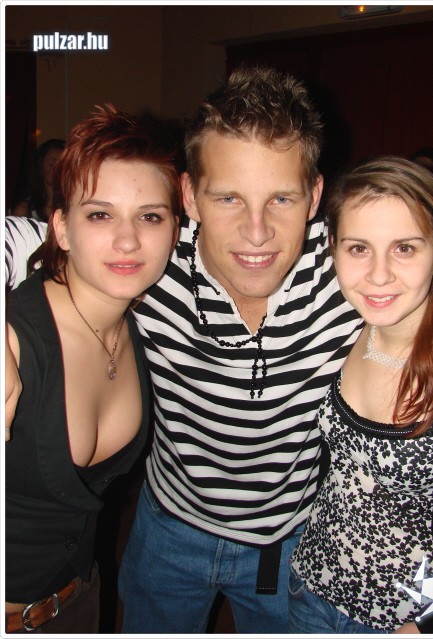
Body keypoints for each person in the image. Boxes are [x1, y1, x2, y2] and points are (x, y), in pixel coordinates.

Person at [4, 66, 362, 634]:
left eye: (281, 198)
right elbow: (27, 238)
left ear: (314, 196)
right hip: (167, 529)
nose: (256, 232)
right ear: (190, 196)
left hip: (286, 540)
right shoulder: (147, 255)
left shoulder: (356, 270)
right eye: (228, 198)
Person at [4, 104, 180, 633]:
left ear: (175, 230)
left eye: (150, 216)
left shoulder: (140, 325)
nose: (128, 240)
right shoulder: (16, 340)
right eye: (100, 214)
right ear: (60, 227)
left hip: (80, 599)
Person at [289, 156, 433, 635]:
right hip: (310, 587)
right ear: (333, 248)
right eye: (358, 248)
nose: (378, 275)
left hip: (402, 619)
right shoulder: (346, 325)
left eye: (404, 248)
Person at [12, 138, 66, 221]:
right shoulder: (25, 210)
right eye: (52, 163)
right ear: (40, 165)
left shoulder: (72, 204)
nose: (56, 169)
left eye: (62, 165)